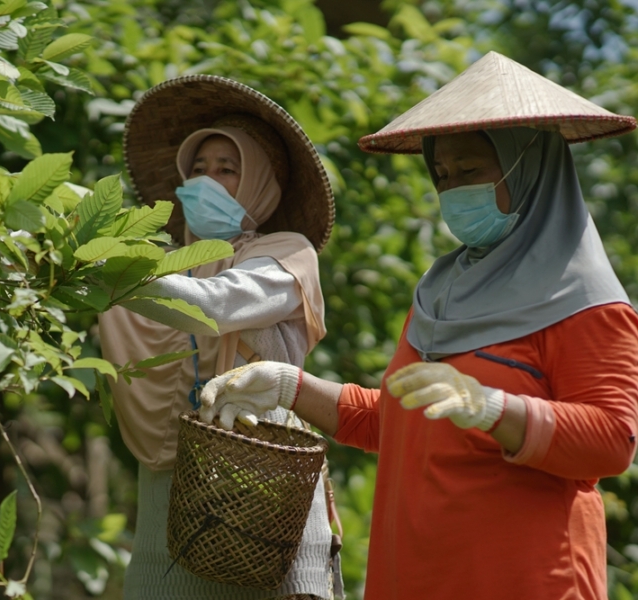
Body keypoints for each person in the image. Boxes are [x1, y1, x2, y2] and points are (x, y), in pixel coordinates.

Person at [199, 51, 638, 600]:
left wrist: (495, 408)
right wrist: (291, 386)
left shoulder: (586, 304)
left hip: (524, 578)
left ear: (529, 167)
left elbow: (611, 442)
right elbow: (406, 420)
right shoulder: (441, 290)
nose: (453, 190)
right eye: (443, 176)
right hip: (414, 574)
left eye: (471, 171)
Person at [97, 75, 340, 599]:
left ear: (261, 184)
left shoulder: (286, 254)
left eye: (227, 170)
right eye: (198, 170)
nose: (206, 182)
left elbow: (213, 306)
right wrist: (6, 232)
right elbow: (71, 287)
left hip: (263, 473)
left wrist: (94, 261)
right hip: (170, 486)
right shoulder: (160, 269)